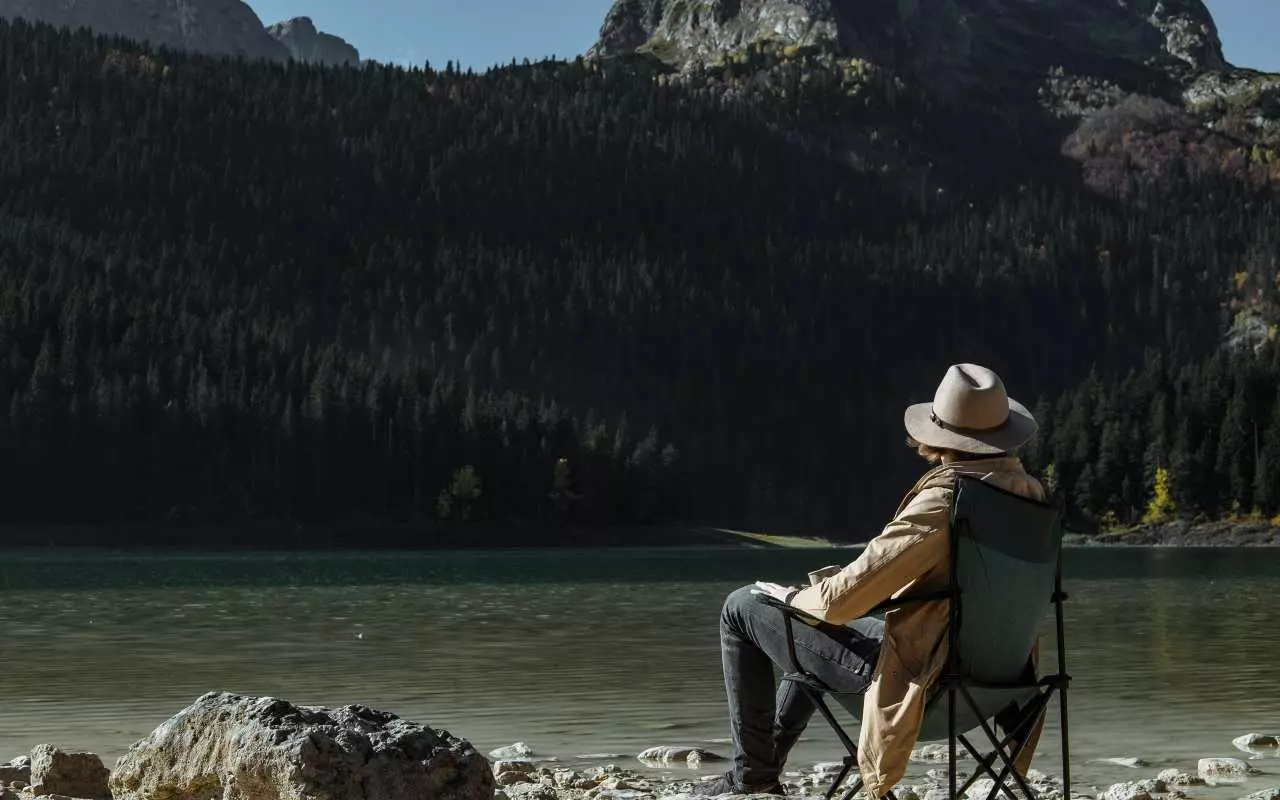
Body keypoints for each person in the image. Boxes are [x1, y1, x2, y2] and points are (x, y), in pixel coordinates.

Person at [698, 364, 1046, 799]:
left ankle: (752, 777)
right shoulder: (1029, 495)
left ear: (940, 435)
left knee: (743, 606)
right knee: (805, 626)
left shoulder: (948, 501)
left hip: (927, 686)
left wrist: (796, 597)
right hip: (999, 686)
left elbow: (843, 601)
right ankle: (761, 772)